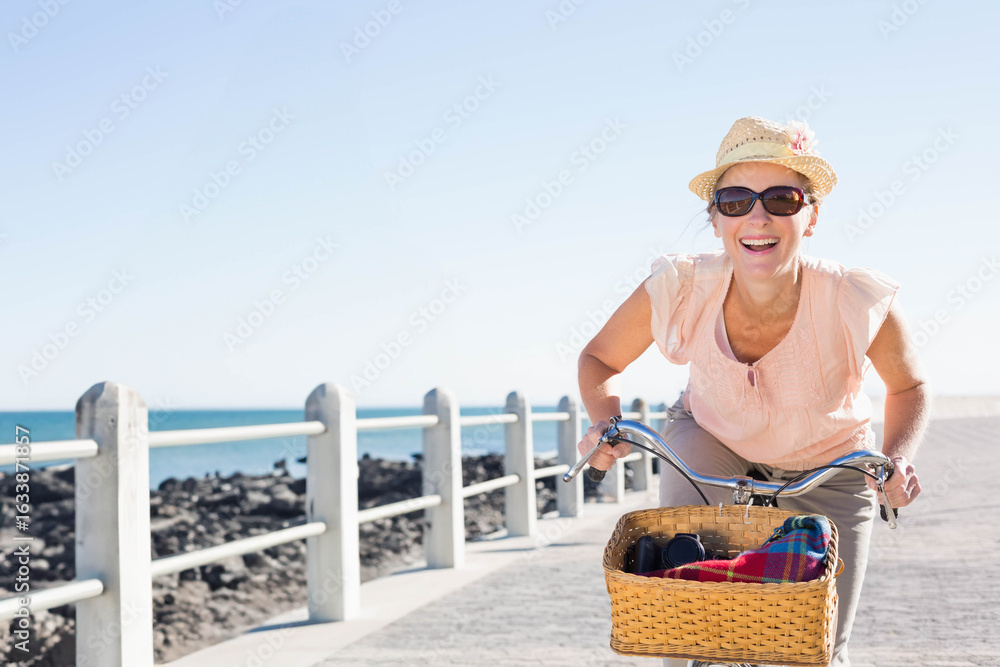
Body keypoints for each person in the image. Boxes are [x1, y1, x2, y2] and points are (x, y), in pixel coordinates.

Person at [576, 116, 930, 666]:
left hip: (830, 463)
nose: (758, 216)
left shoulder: (853, 300)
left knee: (815, 645)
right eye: (736, 199)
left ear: (811, 216)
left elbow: (909, 385)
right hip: (712, 443)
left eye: (782, 199)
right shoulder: (684, 285)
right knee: (686, 623)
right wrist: (605, 422)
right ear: (716, 218)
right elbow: (599, 358)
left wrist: (899, 459)